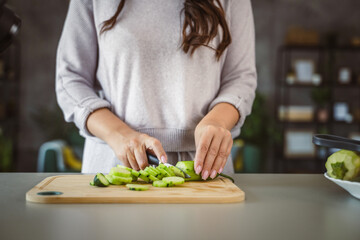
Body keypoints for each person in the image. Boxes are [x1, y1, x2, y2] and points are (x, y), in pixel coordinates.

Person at [56, 0, 257, 180]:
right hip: (114, 166)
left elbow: (240, 78)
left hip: (205, 171)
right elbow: (70, 77)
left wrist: (217, 121)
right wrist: (119, 134)